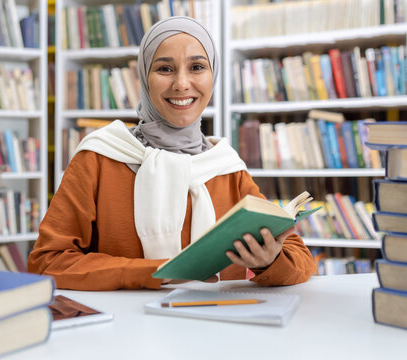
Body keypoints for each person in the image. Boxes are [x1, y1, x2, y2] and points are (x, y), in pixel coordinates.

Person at [28, 17, 316, 290]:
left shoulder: (226, 167)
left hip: (218, 329)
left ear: (212, 76)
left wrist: (271, 261)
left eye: (197, 67)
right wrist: (158, 273)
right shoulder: (100, 157)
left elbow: (301, 261)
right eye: (165, 69)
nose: (181, 83)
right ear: (144, 77)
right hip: (124, 331)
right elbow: (47, 262)